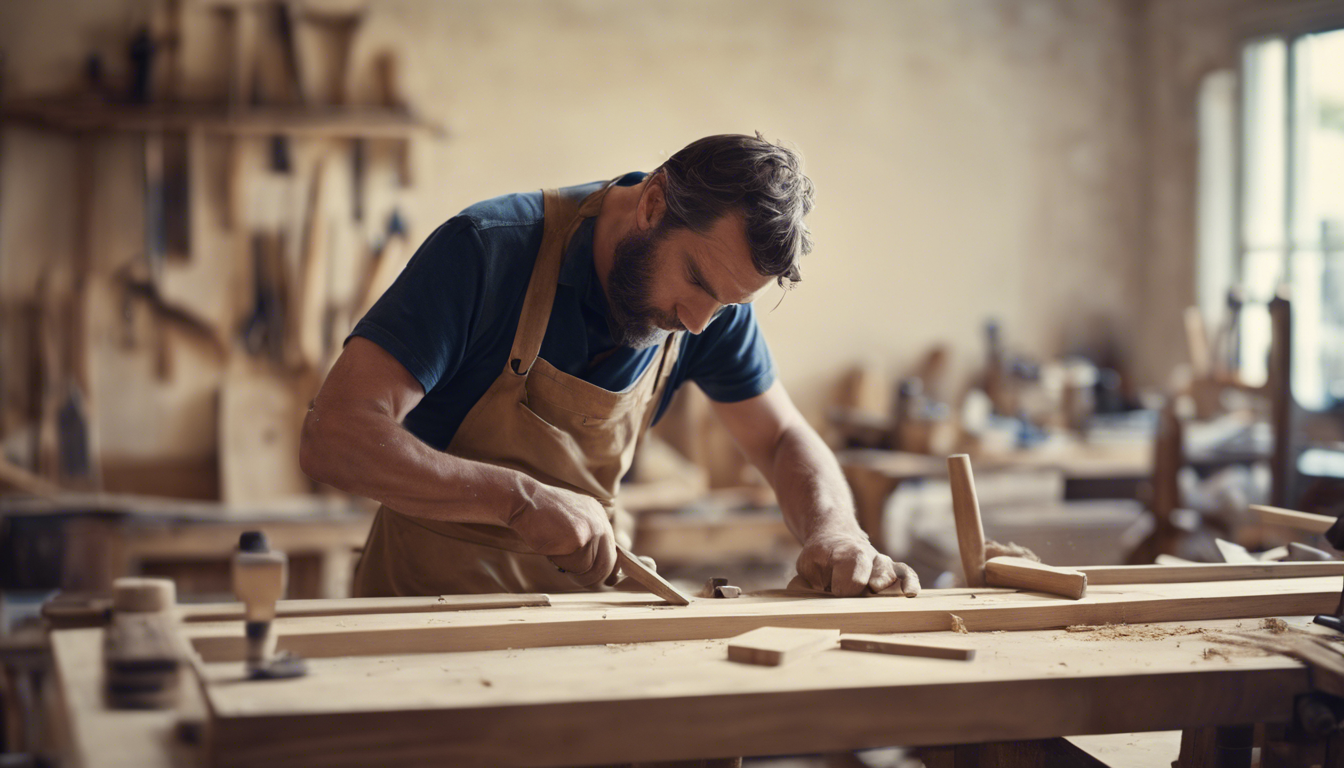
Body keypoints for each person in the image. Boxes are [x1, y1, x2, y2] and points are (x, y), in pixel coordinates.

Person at [299, 133, 920, 600]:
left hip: (577, 621)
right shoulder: (486, 250)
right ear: (652, 203)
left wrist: (837, 530)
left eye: (727, 304)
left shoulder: (710, 308)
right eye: (697, 282)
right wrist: (517, 499)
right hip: (420, 614)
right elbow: (336, 435)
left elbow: (783, 438)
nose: (701, 322)